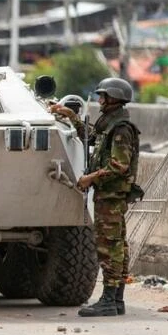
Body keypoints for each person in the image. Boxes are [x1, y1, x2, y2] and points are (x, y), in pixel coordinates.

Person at [51, 77, 141, 317]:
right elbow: (91, 137)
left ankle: (108, 300)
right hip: (111, 194)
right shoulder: (111, 124)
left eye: (103, 96)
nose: (100, 100)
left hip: (111, 195)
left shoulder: (121, 129)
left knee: (109, 246)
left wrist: (90, 178)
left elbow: (119, 166)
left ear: (114, 99)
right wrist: (70, 116)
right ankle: (117, 300)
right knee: (118, 245)